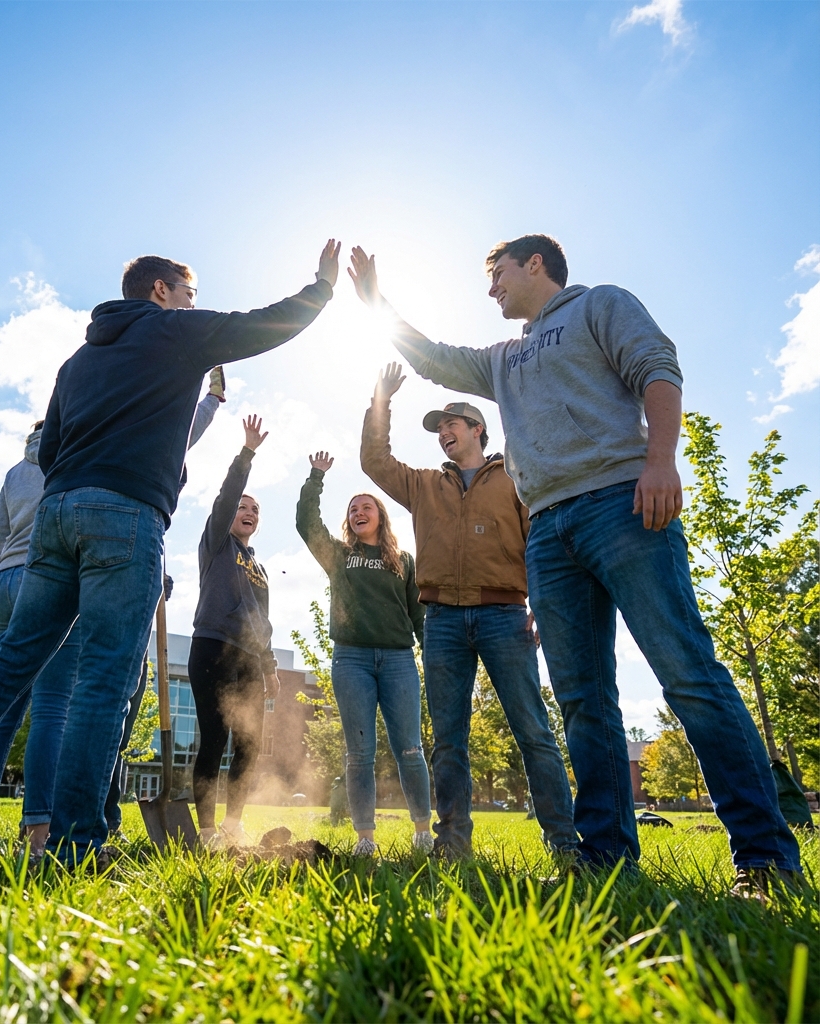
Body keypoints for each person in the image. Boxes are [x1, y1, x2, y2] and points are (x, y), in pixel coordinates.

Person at [0, 240, 341, 862]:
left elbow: (53, 447)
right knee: (102, 682)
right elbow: (261, 326)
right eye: (190, 293)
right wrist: (323, 288)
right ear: (161, 291)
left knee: (9, 666)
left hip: (58, 517)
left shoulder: (76, 362)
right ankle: (75, 843)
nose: (196, 304)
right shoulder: (173, 332)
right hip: (126, 518)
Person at [348, 237, 801, 891]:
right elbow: (433, 357)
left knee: (689, 677)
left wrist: (660, 461)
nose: (490, 288)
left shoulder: (599, 307)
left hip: (622, 504)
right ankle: (606, 855)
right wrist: (375, 302)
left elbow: (657, 368)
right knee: (585, 701)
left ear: (536, 265)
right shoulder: (504, 359)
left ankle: (765, 857)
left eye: (497, 273)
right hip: (549, 534)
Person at [0, 381, 225, 856]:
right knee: (54, 709)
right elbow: (177, 434)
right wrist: (212, 403)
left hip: (9, 587)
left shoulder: (17, 472)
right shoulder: (79, 452)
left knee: (3, 707)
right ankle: (39, 835)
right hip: (54, 576)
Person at [359, 364, 577, 859]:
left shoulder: (515, 479)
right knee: (448, 741)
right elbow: (375, 459)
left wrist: (542, 601)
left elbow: (541, 544)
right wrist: (380, 400)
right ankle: (453, 842)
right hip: (442, 623)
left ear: (477, 428)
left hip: (505, 616)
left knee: (534, 732)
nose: (443, 433)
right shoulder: (423, 485)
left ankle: (563, 842)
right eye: (438, 428)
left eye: (450, 424)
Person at [296, 451, 433, 856]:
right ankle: (365, 840)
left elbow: (419, 614)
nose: (359, 511)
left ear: (380, 515)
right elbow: (307, 523)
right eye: (353, 508)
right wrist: (315, 478)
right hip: (351, 660)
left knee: (410, 748)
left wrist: (434, 657)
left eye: (366, 506)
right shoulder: (339, 556)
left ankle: (423, 832)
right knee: (360, 753)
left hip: (398, 662)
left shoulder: (403, 561)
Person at [188, 415, 278, 849]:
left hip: (248, 659)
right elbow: (225, 498)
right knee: (215, 737)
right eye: (243, 508)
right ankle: (206, 832)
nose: (248, 513)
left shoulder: (259, 569)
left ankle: (233, 825)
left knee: (248, 743)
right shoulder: (216, 544)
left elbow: (263, 623)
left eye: (254, 510)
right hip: (212, 648)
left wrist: (270, 667)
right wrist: (247, 453)